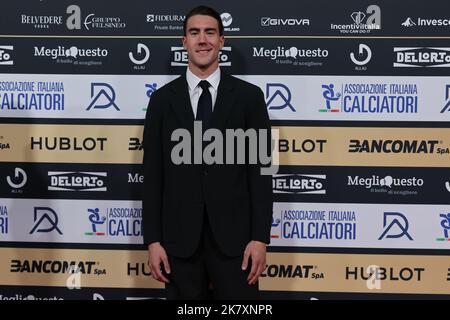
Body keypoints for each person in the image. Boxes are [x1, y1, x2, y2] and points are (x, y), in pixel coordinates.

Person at [142, 5, 273, 300]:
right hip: (178, 243)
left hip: (237, 245)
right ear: (184, 41)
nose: (203, 39)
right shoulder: (161, 101)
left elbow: (262, 173)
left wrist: (260, 238)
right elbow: (152, 177)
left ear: (222, 41)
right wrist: (153, 241)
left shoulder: (250, 98)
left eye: (210, 32)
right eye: (194, 32)